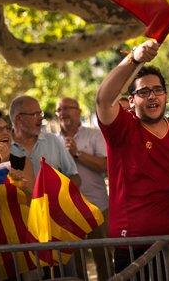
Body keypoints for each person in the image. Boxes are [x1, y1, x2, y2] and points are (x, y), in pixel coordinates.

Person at [95, 39, 169, 279]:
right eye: (143, 92)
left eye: (157, 90)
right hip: (137, 249)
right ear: (131, 100)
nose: (152, 96)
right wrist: (134, 58)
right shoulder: (122, 128)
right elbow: (103, 99)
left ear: (166, 95)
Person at [57, 97, 110, 281]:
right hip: (68, 211)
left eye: (67, 108)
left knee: (103, 257)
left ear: (78, 111)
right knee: (75, 262)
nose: (63, 113)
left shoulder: (94, 135)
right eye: (59, 109)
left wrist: (77, 153)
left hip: (97, 206)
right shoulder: (53, 141)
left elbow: (105, 165)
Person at [9, 96, 80, 187]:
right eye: (35, 114)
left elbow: (75, 176)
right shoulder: (4, 147)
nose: (41, 118)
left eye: (40, 114)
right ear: (19, 118)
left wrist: (60, 194)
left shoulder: (53, 141)